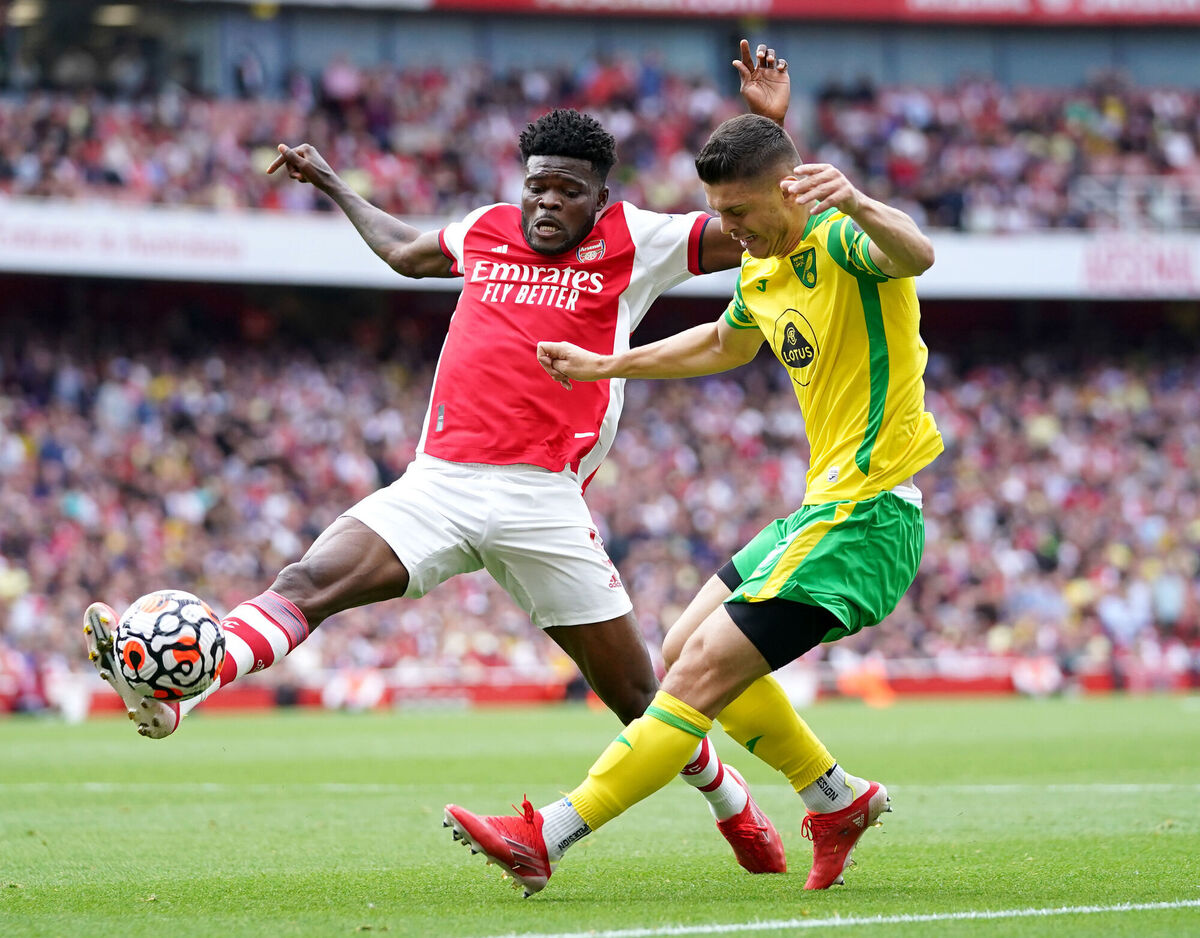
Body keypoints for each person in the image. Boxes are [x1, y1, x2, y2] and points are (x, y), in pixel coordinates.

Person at [84, 44, 802, 876]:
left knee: (639, 698)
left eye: (568, 190)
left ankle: (735, 809)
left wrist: (767, 125)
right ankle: (185, 687)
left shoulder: (640, 239)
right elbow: (402, 252)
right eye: (538, 183)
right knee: (305, 584)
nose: (546, 202)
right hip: (440, 481)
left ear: (600, 194)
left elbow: (753, 225)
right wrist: (330, 183)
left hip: (544, 499)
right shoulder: (487, 229)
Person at [444, 112, 943, 895]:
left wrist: (855, 198)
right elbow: (720, 343)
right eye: (722, 215)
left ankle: (550, 832)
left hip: (870, 514)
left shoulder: (842, 240)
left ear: (790, 193)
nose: (730, 231)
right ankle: (835, 798)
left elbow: (916, 252)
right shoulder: (763, 267)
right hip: (822, 511)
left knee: (696, 677)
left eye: (740, 214)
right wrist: (606, 364)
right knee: (681, 647)